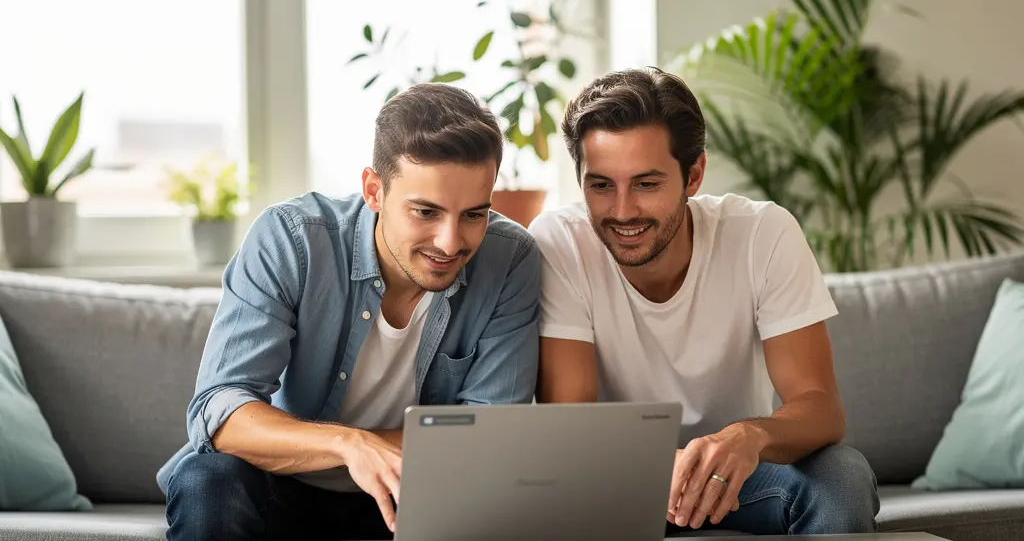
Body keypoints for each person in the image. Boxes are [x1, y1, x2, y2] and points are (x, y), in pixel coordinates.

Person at [156, 83, 541, 541]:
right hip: (281, 487)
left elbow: (487, 436)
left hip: (407, 496)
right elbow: (221, 412)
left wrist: (378, 452)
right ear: (374, 191)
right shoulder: (292, 240)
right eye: (425, 212)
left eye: (474, 215)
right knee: (209, 481)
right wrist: (349, 444)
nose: (451, 242)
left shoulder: (510, 258)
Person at [529, 67, 880, 536]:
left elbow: (819, 407)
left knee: (842, 475)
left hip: (737, 478)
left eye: (647, 184)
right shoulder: (559, 243)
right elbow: (569, 426)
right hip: (614, 478)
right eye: (601, 185)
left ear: (693, 175)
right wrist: (661, 465)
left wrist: (747, 436)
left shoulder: (763, 233)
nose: (623, 210)